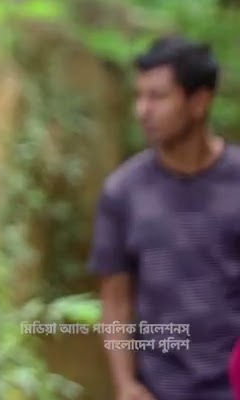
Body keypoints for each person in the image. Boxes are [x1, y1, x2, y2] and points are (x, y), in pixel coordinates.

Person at [89, 35, 240, 400]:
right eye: (139, 96)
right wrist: (126, 385)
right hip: (160, 389)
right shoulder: (123, 192)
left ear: (199, 101)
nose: (143, 110)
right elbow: (115, 302)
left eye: (157, 97)